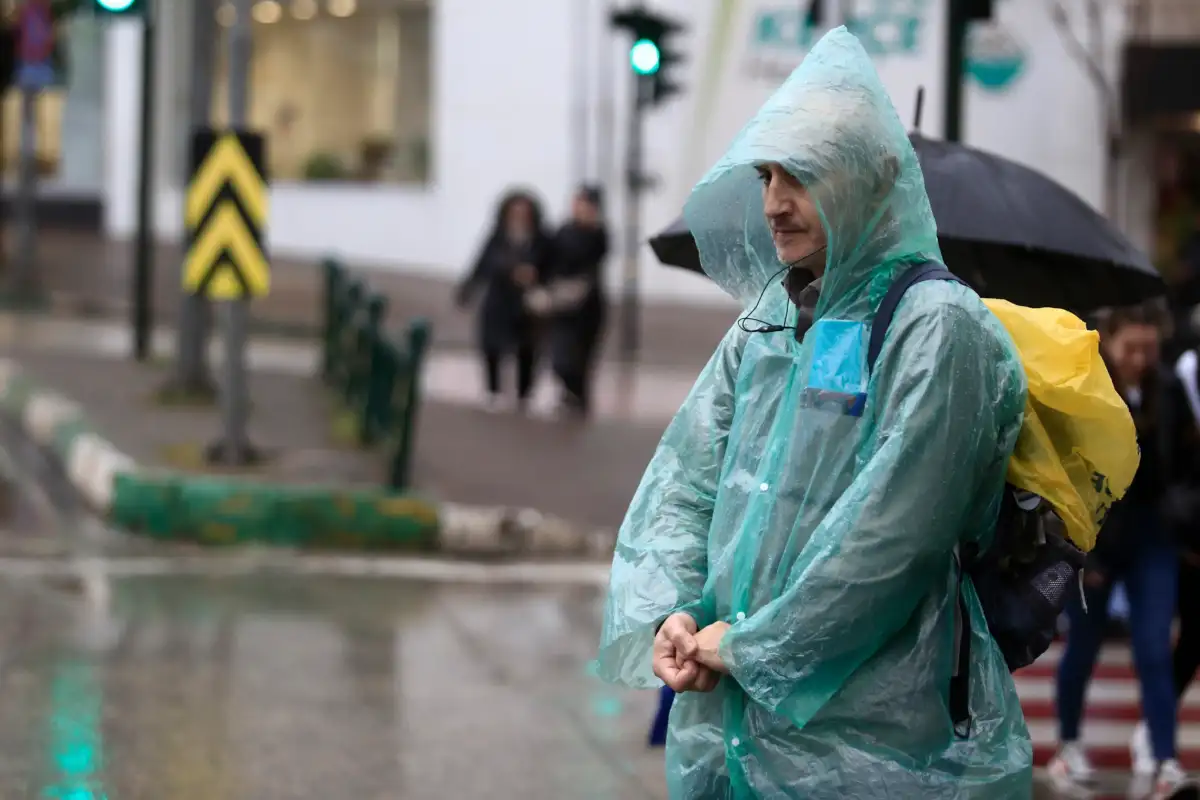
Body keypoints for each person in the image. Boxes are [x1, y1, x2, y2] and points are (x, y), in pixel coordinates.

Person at [596, 28, 1031, 798]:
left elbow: (893, 539)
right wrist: (678, 613)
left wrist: (758, 648)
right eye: (766, 173)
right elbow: (690, 483)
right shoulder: (769, 321)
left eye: (800, 174)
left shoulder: (936, 327)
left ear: (872, 179)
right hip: (733, 737)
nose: (773, 203)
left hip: (873, 750)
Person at [1047, 304, 1188, 798]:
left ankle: (1166, 757)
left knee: (1153, 647)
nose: (1140, 359)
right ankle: (1067, 743)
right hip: (1094, 537)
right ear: (1108, 339)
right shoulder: (1086, 386)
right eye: (1132, 348)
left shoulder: (1167, 389)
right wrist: (1083, 548)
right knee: (1082, 647)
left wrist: (1183, 518)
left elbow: (1186, 465)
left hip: (1154, 535)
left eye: (1149, 349)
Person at [455, 190, 554, 412]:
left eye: (524, 213)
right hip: (499, 298)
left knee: (527, 348)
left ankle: (524, 394)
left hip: (527, 302)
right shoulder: (497, 236)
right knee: (490, 343)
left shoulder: (542, 238)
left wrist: (538, 278)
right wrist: (467, 289)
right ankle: (493, 390)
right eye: (515, 212)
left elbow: (552, 265)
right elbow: (482, 262)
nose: (519, 216)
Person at [547, 185, 610, 416]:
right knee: (561, 356)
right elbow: (550, 257)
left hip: (588, 306)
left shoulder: (598, 232)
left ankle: (578, 400)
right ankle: (568, 393)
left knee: (583, 357)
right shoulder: (563, 230)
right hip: (563, 304)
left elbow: (595, 256)